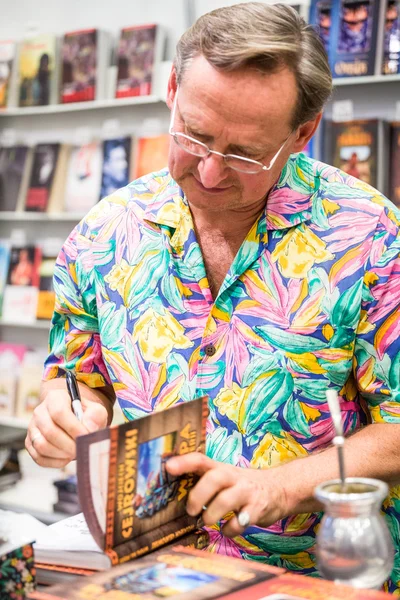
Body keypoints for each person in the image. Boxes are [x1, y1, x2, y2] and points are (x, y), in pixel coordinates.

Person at [26, 3, 400, 592]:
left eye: (246, 154)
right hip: (149, 570)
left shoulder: (371, 236)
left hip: (313, 579)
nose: (208, 172)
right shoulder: (104, 233)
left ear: (303, 133)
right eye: (193, 136)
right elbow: (76, 375)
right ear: (172, 90)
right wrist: (69, 414)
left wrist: (284, 485)